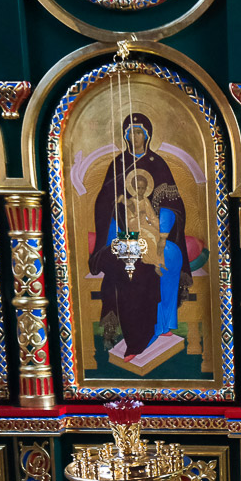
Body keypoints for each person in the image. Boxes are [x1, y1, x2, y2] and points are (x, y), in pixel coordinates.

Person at [89, 112, 191, 358]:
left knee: (169, 256)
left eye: (138, 132)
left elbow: (172, 205)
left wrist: (161, 235)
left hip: (156, 236)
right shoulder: (118, 164)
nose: (134, 137)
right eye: (130, 133)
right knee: (127, 266)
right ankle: (138, 335)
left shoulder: (158, 164)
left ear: (147, 135)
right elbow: (105, 206)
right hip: (124, 236)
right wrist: (118, 231)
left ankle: (163, 324)